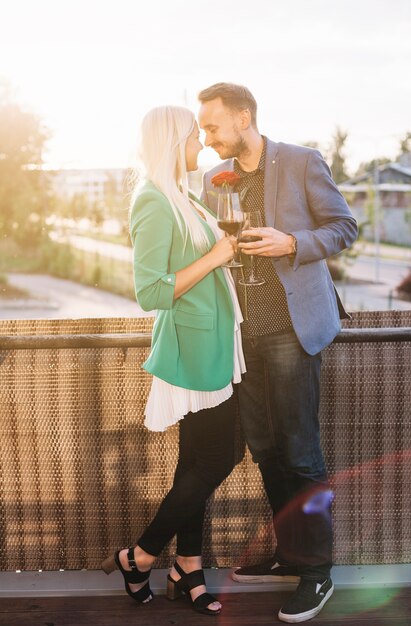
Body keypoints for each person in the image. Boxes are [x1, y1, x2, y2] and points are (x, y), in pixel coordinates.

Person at [198, 83, 358, 623]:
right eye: (202, 128)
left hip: (291, 329)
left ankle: (317, 574)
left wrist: (293, 242)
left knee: (301, 451)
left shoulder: (301, 161)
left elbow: (343, 227)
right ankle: (292, 554)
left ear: (243, 118)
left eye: (213, 125)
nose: (206, 136)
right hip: (241, 336)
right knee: (265, 448)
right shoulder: (212, 179)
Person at [101, 105, 246, 616]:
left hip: (214, 345)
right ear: (171, 142)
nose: (201, 145)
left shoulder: (181, 195)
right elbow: (150, 291)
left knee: (196, 462)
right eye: (193, 136)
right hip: (193, 351)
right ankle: (139, 554)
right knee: (219, 457)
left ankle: (187, 564)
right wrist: (217, 257)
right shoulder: (153, 201)